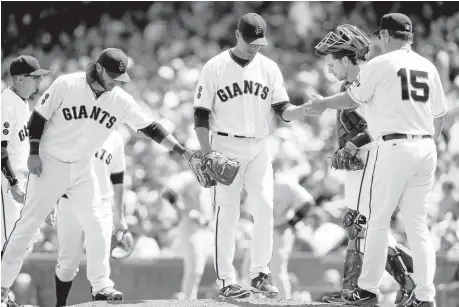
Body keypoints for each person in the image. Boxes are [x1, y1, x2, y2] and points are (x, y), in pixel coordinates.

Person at [1, 48, 196, 305]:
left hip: (83, 167)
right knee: (27, 228)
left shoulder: (119, 99)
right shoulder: (67, 84)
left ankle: (102, 285)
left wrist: (184, 152)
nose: (117, 81)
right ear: (100, 69)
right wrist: (34, 152)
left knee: (99, 223)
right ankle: (2, 286)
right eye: (114, 75)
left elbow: (151, 127)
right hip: (50, 164)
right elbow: (38, 118)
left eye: (121, 77)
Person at [307, 13, 447, 307]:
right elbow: (440, 115)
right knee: (418, 228)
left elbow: (351, 101)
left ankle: (367, 290)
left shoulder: (381, 64)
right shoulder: (427, 65)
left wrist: (320, 104)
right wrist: (426, 143)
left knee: (374, 223)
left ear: (384, 35)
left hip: (394, 147)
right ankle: (425, 296)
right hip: (425, 147)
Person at [192, 13, 310, 299]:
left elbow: (282, 109)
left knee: (265, 206)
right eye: (249, 41)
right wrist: (208, 154)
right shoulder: (215, 67)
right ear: (237, 35)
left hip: (258, 145)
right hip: (224, 145)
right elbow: (200, 115)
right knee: (227, 212)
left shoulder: (268, 68)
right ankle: (227, 281)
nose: (254, 47)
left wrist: (302, 110)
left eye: (259, 42)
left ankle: (260, 273)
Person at [49, 130, 127, 306]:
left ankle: (101, 289)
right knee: (67, 265)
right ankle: (60, 303)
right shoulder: (73, 128)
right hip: (69, 202)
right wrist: (50, 201)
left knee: (100, 250)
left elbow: (118, 178)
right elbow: (55, 168)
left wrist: (120, 215)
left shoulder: (114, 137)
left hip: (103, 203)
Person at [1, 55, 50, 307]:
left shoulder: (22, 102)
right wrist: (12, 183)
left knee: (26, 236)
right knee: (9, 239)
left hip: (19, 177)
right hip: (4, 178)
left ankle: (2, 292)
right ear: (19, 78)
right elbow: (0, 149)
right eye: (35, 77)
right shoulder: (6, 103)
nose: (39, 81)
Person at [241, 157, 316, 299]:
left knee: (277, 270)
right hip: (262, 231)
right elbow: (249, 209)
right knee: (249, 268)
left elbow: (307, 201)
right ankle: (256, 300)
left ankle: (284, 301)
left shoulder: (285, 182)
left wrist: (291, 222)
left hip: (280, 230)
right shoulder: (259, 183)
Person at [161, 170, 213, 300]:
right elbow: (167, 192)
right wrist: (183, 210)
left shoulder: (208, 178)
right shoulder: (187, 177)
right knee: (194, 270)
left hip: (208, 229)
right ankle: (188, 300)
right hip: (192, 228)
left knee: (220, 267)